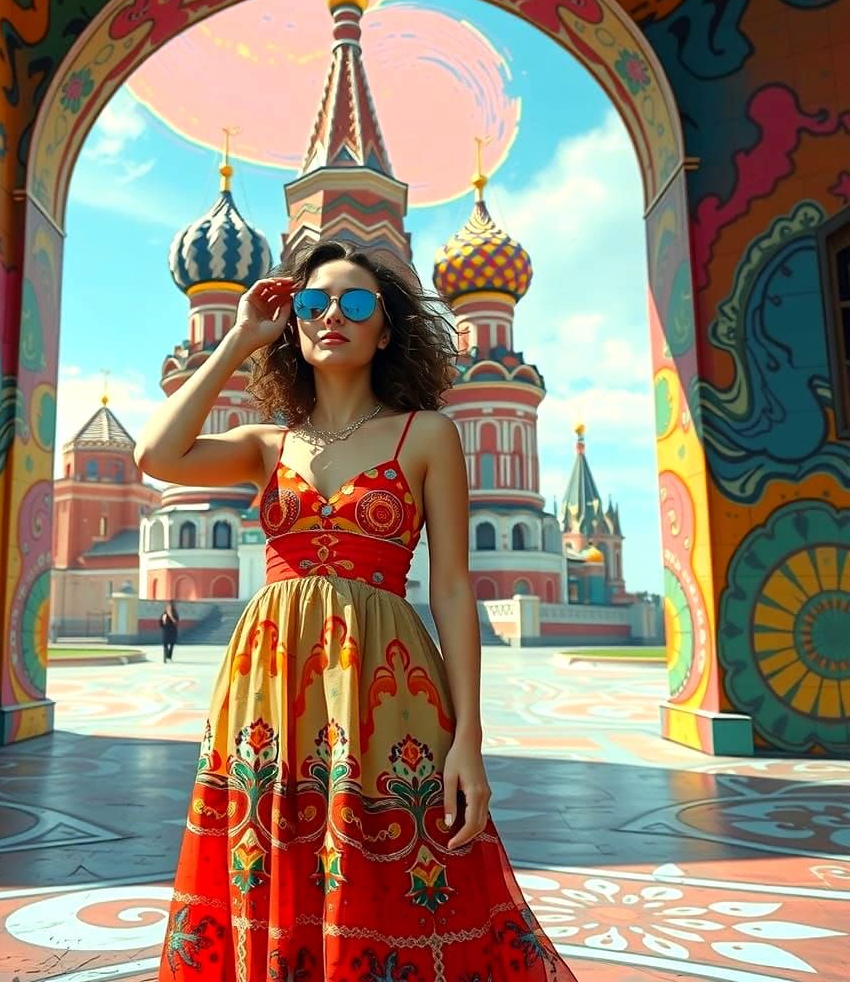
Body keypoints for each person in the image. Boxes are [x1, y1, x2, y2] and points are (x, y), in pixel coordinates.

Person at [135, 241, 577, 981]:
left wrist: (470, 739)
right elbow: (156, 454)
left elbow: (451, 588)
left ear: (386, 330)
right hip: (270, 685)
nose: (331, 315)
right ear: (294, 325)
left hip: (387, 683)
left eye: (356, 302)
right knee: (275, 856)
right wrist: (240, 339)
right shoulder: (265, 445)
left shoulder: (425, 434)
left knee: (391, 867)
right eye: (312, 303)